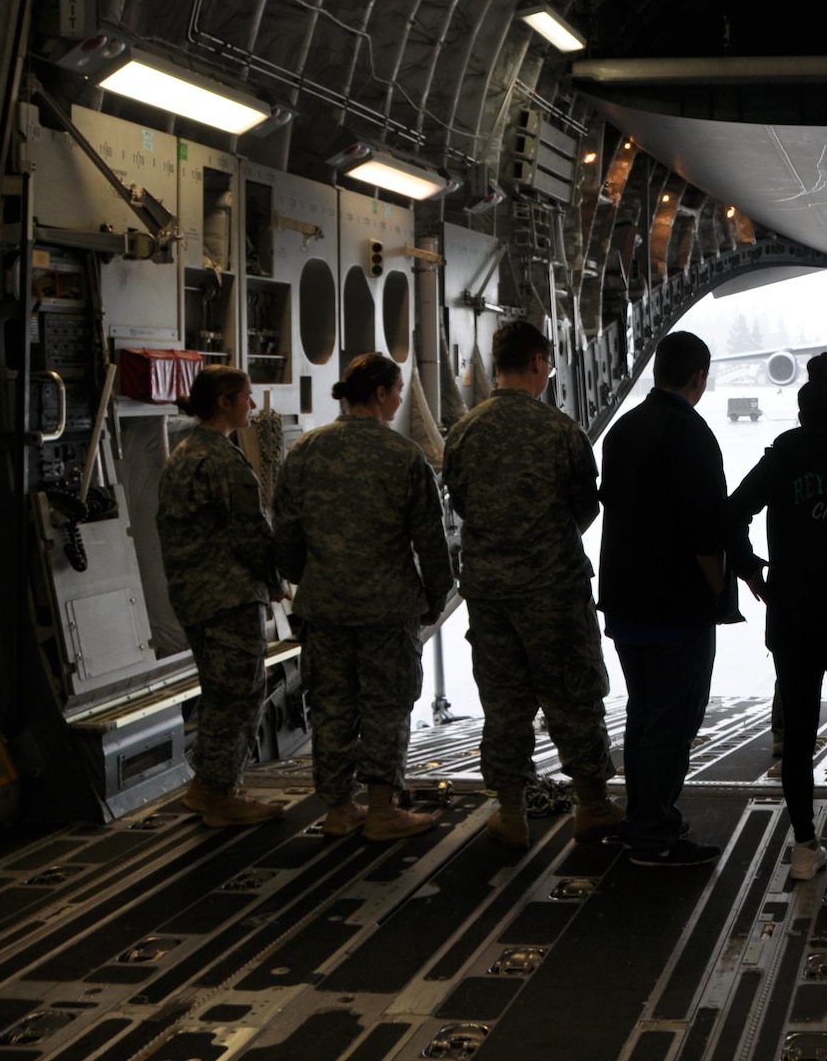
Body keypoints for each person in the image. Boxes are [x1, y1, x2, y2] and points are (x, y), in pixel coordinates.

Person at [444, 321, 623, 850]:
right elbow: (585, 509)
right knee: (575, 696)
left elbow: (459, 502)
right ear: (540, 364)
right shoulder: (561, 432)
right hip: (555, 593)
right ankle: (591, 806)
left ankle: (511, 813)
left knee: (504, 704)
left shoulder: (465, 431)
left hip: (491, 596)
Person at [275, 354, 453, 841]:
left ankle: (337, 810)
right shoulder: (403, 456)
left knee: (331, 706)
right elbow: (430, 541)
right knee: (385, 706)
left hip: (323, 609)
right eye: (397, 391)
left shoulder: (305, 452)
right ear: (380, 394)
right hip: (386, 609)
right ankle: (381, 810)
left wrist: (306, 578)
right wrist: (435, 597)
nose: (399, 400)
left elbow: (286, 537)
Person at [724, 353, 827, 882]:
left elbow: (731, 514)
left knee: (797, 732)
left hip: (791, 613)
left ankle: (804, 849)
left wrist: (750, 571)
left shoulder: (781, 458)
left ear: (800, 412)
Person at [600, 330, 737, 866]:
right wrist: (716, 592)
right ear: (699, 377)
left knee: (644, 715)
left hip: (625, 600)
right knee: (672, 721)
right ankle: (655, 836)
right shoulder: (692, 435)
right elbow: (706, 530)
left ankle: (640, 819)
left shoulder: (622, 431)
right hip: (675, 607)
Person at [157, 364, 286, 827]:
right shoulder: (223, 461)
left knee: (218, 692)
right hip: (228, 597)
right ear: (224, 403)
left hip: (193, 596)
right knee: (240, 693)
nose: (252, 405)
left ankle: (204, 788)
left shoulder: (182, 454)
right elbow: (250, 535)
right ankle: (220, 794)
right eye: (247, 397)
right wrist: (277, 580)